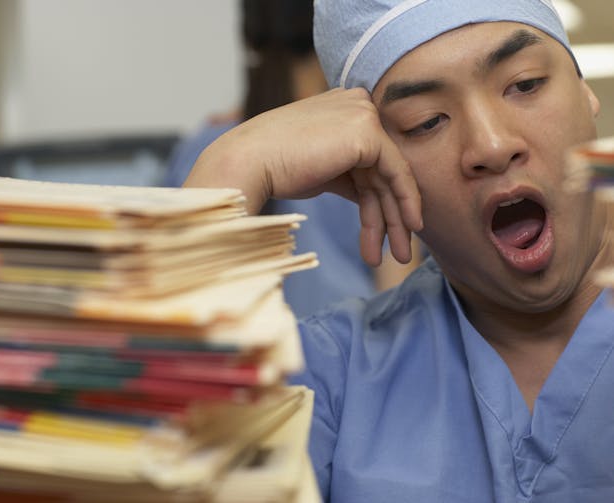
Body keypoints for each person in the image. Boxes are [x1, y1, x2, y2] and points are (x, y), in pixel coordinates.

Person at [185, 0, 614, 501]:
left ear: (585, 91)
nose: (493, 145)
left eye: (524, 84)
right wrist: (232, 165)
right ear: (378, 167)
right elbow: (149, 451)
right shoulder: (334, 374)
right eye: (426, 121)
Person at [166, 0, 418, 318]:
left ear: (249, 35)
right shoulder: (367, 149)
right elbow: (400, 305)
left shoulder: (206, 149)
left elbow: (171, 297)